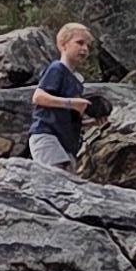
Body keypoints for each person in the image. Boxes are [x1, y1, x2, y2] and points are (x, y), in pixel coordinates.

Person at [28, 25, 100, 172]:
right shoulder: (57, 68)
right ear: (63, 44)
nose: (85, 49)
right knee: (55, 183)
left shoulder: (77, 81)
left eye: (88, 45)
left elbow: (67, 116)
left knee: (66, 186)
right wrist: (71, 103)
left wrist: (92, 122)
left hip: (66, 143)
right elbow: (38, 97)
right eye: (80, 43)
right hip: (47, 136)